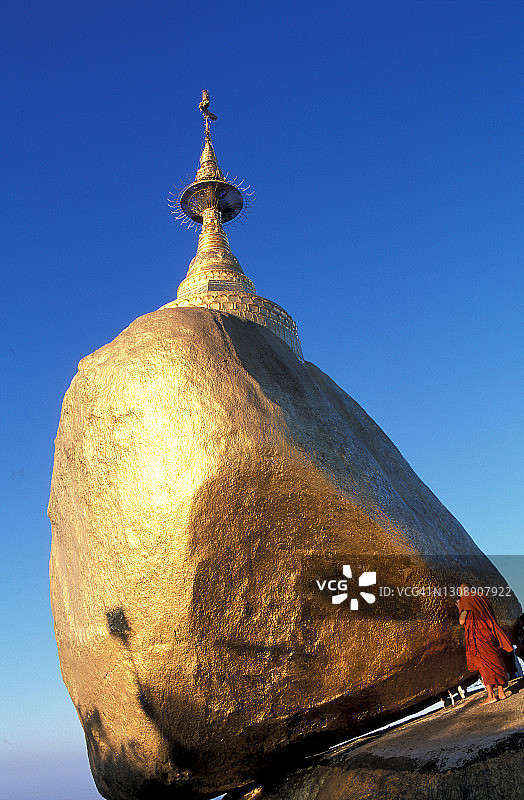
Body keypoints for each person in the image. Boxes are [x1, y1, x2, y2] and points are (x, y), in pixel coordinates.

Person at [456, 583, 514, 705]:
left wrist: (459, 607)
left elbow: (462, 621)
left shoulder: (466, 599)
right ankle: (501, 692)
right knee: (495, 660)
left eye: (459, 593)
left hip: (479, 636)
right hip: (488, 633)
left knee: (484, 665)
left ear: (463, 591)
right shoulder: (482, 597)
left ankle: (491, 695)